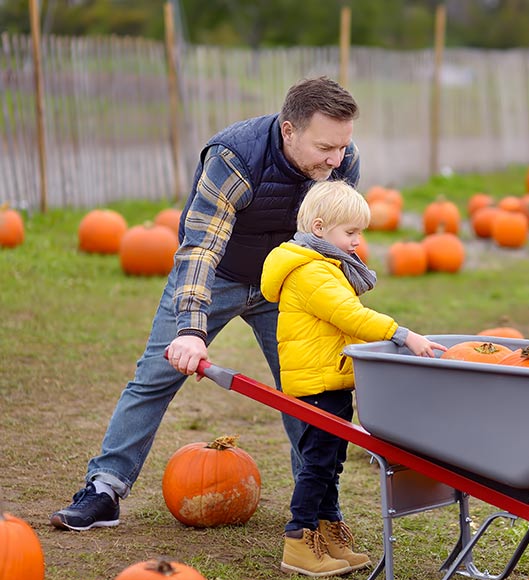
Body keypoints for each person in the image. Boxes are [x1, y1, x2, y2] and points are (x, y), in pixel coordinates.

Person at [50, 76, 361, 545]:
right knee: (155, 374)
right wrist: (190, 329)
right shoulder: (234, 157)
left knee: (309, 387)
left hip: (290, 280)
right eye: (325, 147)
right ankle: (104, 488)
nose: (337, 160)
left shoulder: (343, 160)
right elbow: (199, 248)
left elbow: (333, 243)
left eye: (343, 147)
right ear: (289, 130)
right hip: (218, 274)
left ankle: (317, 506)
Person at [260, 180, 446, 576]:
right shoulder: (311, 272)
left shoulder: (324, 265)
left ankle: (326, 532)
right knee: (317, 464)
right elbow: (351, 316)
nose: (358, 241)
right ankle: (299, 538)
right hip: (317, 386)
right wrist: (401, 334)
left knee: (331, 463)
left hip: (331, 379)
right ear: (321, 228)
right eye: (351, 233)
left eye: (360, 232)